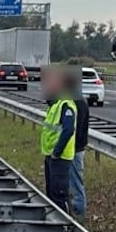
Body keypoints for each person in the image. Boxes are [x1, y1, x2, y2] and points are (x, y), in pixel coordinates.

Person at [40, 66, 77, 212]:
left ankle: (66, 225)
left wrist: (56, 152)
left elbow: (68, 130)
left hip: (60, 157)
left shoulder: (65, 104)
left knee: (59, 194)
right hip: (51, 156)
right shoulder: (54, 105)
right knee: (51, 192)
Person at [66, 69, 90, 217]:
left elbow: (74, 128)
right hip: (74, 147)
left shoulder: (77, 103)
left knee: (75, 182)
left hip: (75, 148)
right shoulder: (79, 100)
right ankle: (75, 211)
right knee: (72, 182)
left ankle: (79, 213)